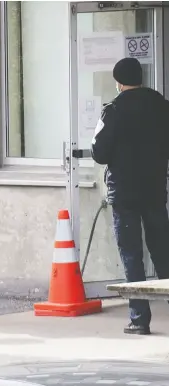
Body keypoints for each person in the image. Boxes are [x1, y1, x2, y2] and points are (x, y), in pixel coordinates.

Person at [91, 58, 169, 335]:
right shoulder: (161, 105)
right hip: (154, 190)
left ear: (119, 81)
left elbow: (99, 153)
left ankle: (139, 318)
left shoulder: (113, 109)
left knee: (131, 253)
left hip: (124, 193)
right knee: (162, 251)